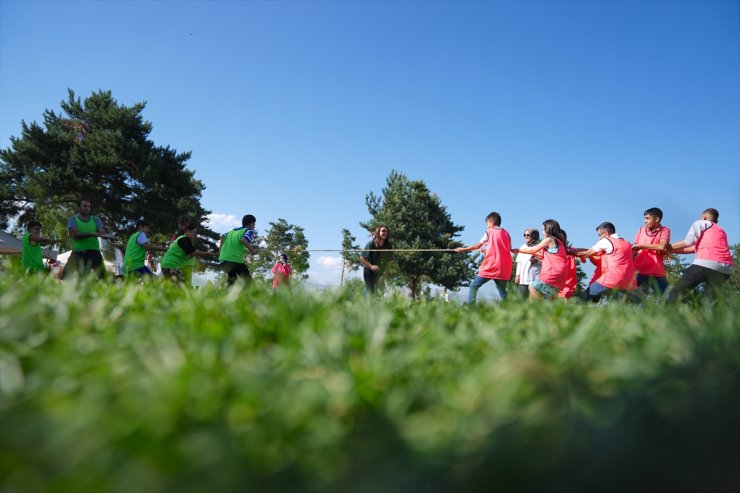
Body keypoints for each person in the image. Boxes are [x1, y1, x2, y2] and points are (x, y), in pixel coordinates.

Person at [667, 208, 733, 303]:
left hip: (705, 264)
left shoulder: (702, 223)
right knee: (708, 302)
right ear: (716, 221)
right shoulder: (721, 231)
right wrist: (671, 250)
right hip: (725, 270)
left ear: (704, 217)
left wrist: (666, 247)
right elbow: (692, 249)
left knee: (677, 291)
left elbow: (688, 241)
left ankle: (669, 316)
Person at [456, 212, 513, 303]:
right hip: (504, 267)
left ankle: (471, 309)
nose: (486, 226)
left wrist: (463, 249)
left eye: (487, 224)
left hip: (492, 266)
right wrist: (488, 251)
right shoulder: (506, 233)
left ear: (491, 223)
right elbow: (506, 249)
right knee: (503, 292)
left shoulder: (489, 231)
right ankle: (509, 312)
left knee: (473, 286)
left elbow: (477, 246)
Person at [575, 222, 637, 302]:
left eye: (599, 235)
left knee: (582, 299)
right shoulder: (627, 243)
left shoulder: (606, 241)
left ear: (606, 233)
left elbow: (587, 253)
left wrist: (568, 252)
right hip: (628, 282)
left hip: (611, 279)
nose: (599, 238)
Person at [514, 219, 569, 300]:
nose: (542, 232)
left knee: (533, 287)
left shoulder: (549, 240)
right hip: (561, 274)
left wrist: (519, 251)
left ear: (549, 229)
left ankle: (537, 310)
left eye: (543, 229)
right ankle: (551, 310)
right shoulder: (559, 242)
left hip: (553, 272)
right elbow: (541, 255)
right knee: (551, 296)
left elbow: (533, 249)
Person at [62, 198, 116, 279]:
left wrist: (109, 236)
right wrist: (91, 234)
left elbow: (102, 233)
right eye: (85, 206)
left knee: (103, 278)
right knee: (66, 275)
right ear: (79, 207)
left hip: (94, 253)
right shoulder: (72, 219)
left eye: (89, 206)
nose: (87, 208)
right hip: (78, 252)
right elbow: (74, 234)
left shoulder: (95, 219)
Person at [632, 207, 671, 296]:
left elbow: (661, 246)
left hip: (656, 272)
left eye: (647, 218)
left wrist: (642, 246)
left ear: (657, 219)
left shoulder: (665, 230)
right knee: (623, 295)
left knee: (668, 298)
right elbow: (635, 250)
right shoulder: (641, 230)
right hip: (638, 271)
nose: (645, 221)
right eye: (644, 218)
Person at [218, 214, 260, 286]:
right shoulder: (248, 231)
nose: (254, 226)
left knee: (232, 280)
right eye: (254, 224)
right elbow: (243, 240)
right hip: (235, 260)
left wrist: (220, 250)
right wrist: (253, 251)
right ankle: (255, 295)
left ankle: (221, 291)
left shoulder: (232, 230)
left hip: (223, 259)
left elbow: (222, 236)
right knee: (248, 282)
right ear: (251, 224)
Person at [359, 225, 392, 295]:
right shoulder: (371, 244)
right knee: (370, 292)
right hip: (369, 271)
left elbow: (390, 262)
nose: (385, 233)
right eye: (383, 231)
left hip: (381, 272)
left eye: (387, 231)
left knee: (380, 292)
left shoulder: (389, 246)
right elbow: (361, 258)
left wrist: (385, 274)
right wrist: (371, 266)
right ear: (378, 232)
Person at [514, 228, 541, 298]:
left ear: (534, 236)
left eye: (528, 235)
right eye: (524, 235)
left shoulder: (540, 247)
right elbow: (519, 262)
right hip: (523, 279)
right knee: (521, 300)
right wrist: (517, 275)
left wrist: (537, 261)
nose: (526, 236)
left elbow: (546, 261)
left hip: (535, 279)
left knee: (533, 301)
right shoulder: (522, 247)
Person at [172, 216, 197, 287]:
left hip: (184, 261)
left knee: (181, 284)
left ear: (180, 225)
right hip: (185, 261)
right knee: (185, 284)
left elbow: (171, 244)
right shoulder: (187, 233)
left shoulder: (178, 234)